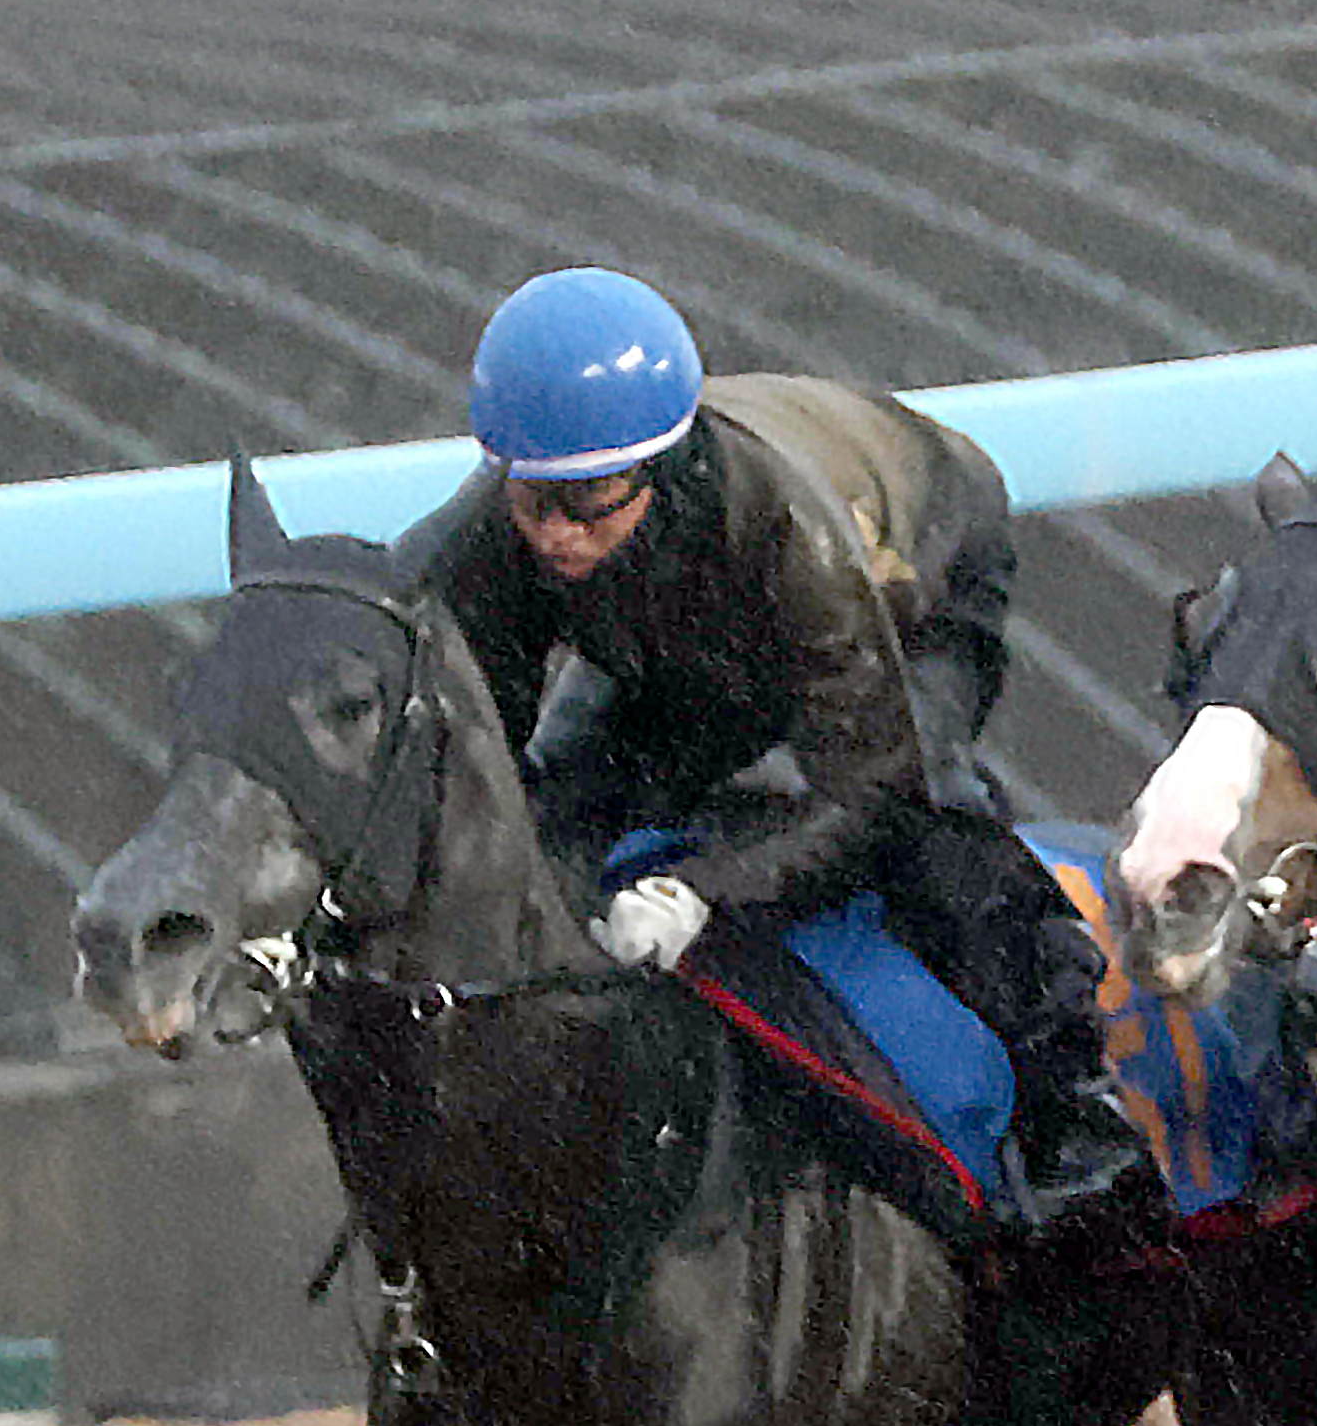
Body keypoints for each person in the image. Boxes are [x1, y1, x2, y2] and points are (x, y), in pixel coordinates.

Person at [396, 266, 1155, 1229]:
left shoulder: (799, 541)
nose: (556, 539)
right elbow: (472, 755)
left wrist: (709, 890)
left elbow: (876, 790)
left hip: (907, 578)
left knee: (941, 830)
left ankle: (1072, 1109)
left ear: (661, 472)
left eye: (589, 505)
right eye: (534, 500)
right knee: (554, 815)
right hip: (677, 623)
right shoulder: (514, 522)